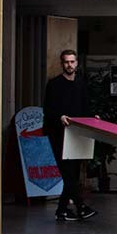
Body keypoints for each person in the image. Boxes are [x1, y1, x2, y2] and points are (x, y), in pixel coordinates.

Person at [42, 49, 97, 222]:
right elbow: (48, 109)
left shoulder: (80, 83)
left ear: (76, 63)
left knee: (72, 172)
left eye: (72, 62)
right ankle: (80, 206)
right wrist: (60, 117)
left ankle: (62, 211)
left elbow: (85, 107)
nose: (69, 65)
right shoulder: (54, 84)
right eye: (66, 62)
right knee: (67, 172)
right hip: (58, 134)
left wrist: (93, 118)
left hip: (77, 134)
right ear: (62, 63)